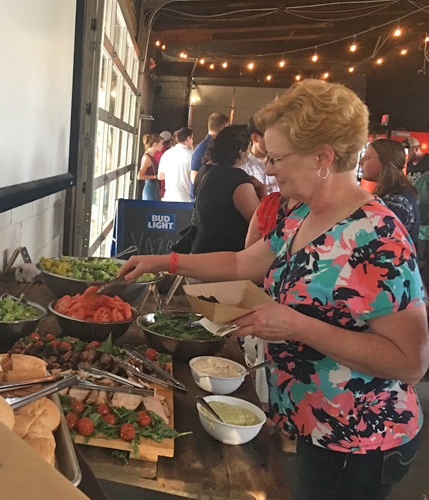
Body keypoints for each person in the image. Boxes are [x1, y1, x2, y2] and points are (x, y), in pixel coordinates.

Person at [119, 79, 428, 500]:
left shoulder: (378, 235)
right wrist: (166, 261)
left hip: (358, 440)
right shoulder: (301, 214)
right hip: (309, 423)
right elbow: (242, 262)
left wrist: (296, 326)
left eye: (278, 158)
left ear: (323, 157)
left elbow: (411, 362)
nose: (268, 168)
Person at [190, 125, 262, 254]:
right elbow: (259, 222)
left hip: (201, 248)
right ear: (241, 151)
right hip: (227, 254)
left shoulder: (204, 170)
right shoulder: (236, 178)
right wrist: (263, 193)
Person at [359, 138, 419, 246]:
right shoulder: (398, 193)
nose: (360, 162)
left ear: (386, 162)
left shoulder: (393, 203)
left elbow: (380, 246)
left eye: (367, 157)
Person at [239, 116, 279, 194]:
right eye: (271, 139)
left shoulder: (281, 162)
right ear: (255, 138)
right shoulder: (242, 167)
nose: (276, 143)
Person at [190, 113, 229, 185]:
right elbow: (195, 176)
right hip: (203, 194)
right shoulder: (204, 148)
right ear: (224, 127)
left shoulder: (213, 145)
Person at [158, 127, 194, 202]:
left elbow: (160, 176)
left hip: (168, 197)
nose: (192, 141)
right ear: (188, 139)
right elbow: (194, 177)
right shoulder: (191, 155)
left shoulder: (166, 154)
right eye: (192, 138)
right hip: (185, 199)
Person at [138, 134, 163, 200]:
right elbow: (140, 176)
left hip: (154, 188)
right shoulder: (147, 158)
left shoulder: (151, 156)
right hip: (150, 188)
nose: (162, 146)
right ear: (155, 144)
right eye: (161, 144)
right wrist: (155, 176)